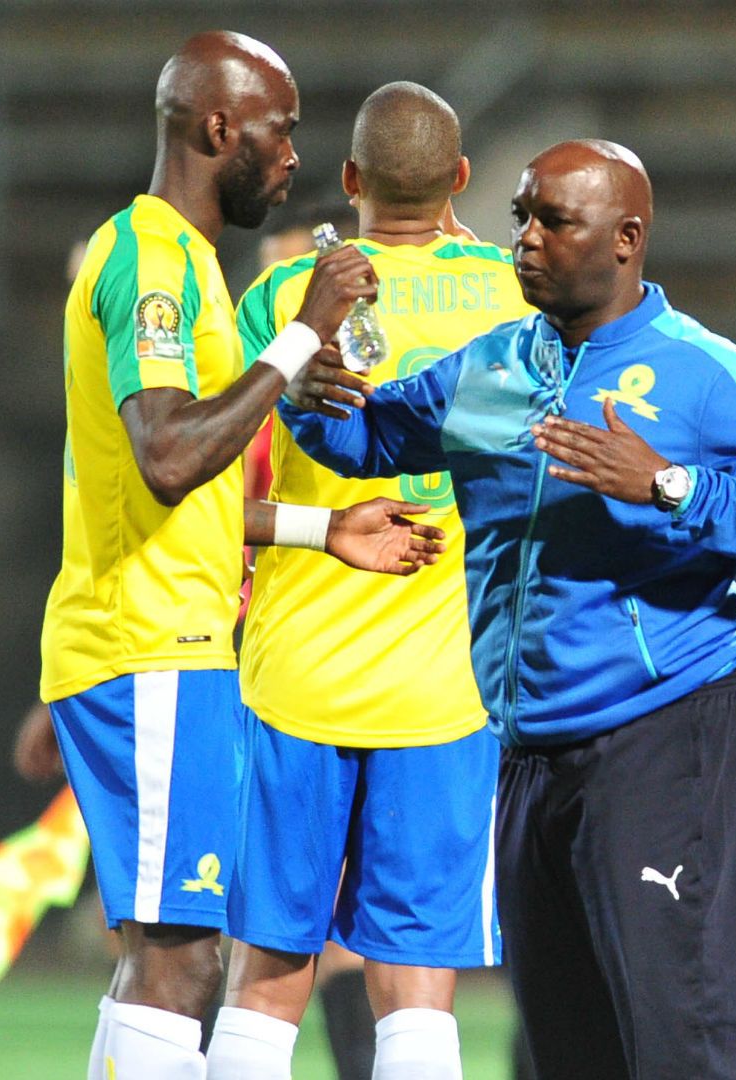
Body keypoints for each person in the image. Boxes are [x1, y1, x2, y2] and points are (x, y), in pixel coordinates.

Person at [280, 139, 736, 1079]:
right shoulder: (489, 368)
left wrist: (667, 484)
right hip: (530, 755)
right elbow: (366, 437)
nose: (526, 241)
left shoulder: (704, 371)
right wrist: (308, 388)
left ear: (627, 239)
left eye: (555, 221)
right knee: (561, 1055)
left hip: (666, 742)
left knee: (681, 1050)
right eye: (521, 218)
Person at [38, 31, 440, 1080]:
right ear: (220, 129)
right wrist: (299, 337)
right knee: (179, 965)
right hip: (151, 648)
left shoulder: (194, 270)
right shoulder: (155, 261)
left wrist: (322, 529)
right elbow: (170, 456)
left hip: (168, 640)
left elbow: (181, 485)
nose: (293, 155)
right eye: (281, 129)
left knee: (170, 959)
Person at [205, 82, 533, 1080]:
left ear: (347, 181)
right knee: (416, 981)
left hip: (296, 677)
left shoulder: (287, 294)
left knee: (266, 971)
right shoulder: (519, 296)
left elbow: (207, 486)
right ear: (463, 182)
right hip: (448, 693)